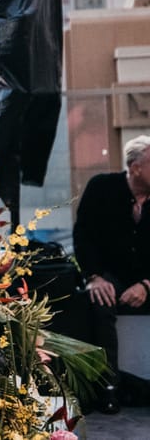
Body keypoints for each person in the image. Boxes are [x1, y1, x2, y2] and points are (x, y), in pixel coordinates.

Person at [73, 134, 150, 413]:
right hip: (110, 275)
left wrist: (146, 285)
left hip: (147, 278)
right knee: (99, 301)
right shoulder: (102, 187)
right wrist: (94, 277)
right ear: (136, 167)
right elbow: (83, 236)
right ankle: (109, 388)